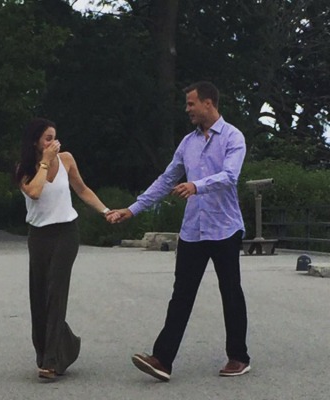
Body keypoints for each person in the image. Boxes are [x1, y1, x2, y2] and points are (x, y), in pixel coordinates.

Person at [107, 81, 250, 381]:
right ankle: (162, 360)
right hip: (193, 232)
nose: (187, 110)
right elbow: (165, 179)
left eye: (191, 104)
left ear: (208, 103)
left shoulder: (234, 137)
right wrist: (131, 209)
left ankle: (238, 357)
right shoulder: (188, 143)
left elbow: (230, 176)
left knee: (231, 293)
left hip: (225, 229)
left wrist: (196, 185)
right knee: (181, 295)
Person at [15, 118, 113, 380]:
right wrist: (45, 161)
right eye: (48, 138)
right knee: (39, 295)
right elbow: (35, 192)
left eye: (55, 138)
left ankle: (51, 362)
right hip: (39, 236)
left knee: (55, 293)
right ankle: (65, 345)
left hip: (66, 232)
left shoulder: (67, 159)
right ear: (36, 141)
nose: (54, 143)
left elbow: (81, 189)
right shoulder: (23, 169)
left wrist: (105, 211)